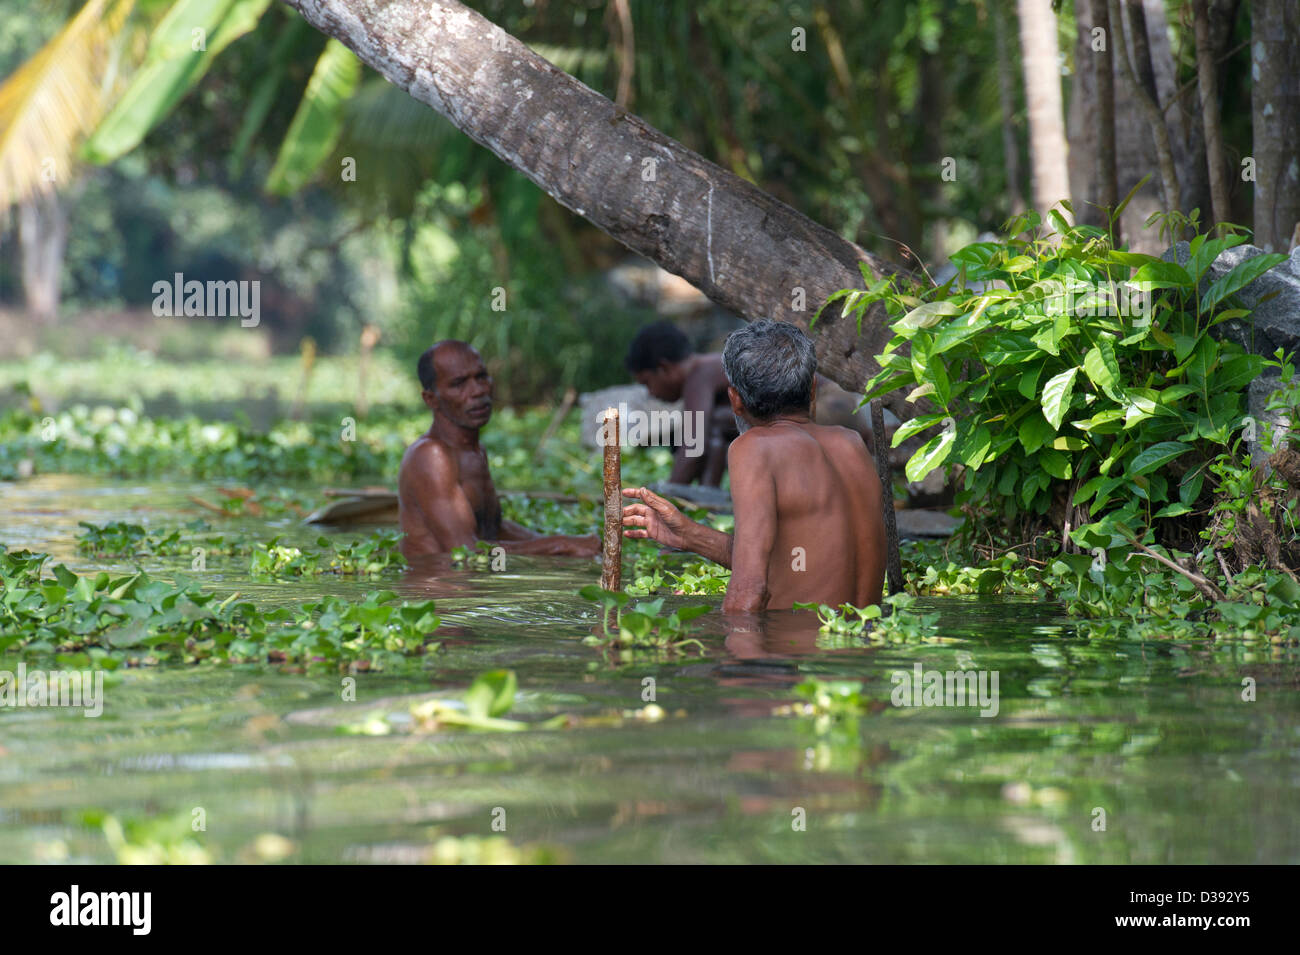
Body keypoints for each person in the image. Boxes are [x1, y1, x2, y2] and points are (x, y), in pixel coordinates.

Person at [622, 320, 886, 613]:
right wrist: (688, 534)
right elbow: (801, 562)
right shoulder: (852, 444)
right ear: (812, 388)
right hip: (865, 641)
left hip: (797, 650)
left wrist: (736, 656)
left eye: (647, 382)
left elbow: (749, 592)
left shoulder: (753, 447)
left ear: (736, 399)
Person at [398, 340, 599, 560]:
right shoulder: (431, 456)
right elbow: (466, 551)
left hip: (474, 584)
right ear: (431, 399)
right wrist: (560, 545)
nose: (478, 391)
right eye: (459, 384)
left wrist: (562, 541)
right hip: (439, 589)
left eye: (482, 376)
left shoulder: (475, 451)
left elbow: (493, 530)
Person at [624, 320, 886, 486]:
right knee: (717, 425)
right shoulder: (710, 370)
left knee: (709, 427)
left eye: (647, 382)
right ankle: (710, 496)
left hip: (827, 406)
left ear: (665, 368)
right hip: (843, 407)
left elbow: (695, 447)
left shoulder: (698, 376)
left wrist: (667, 498)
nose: (651, 393)